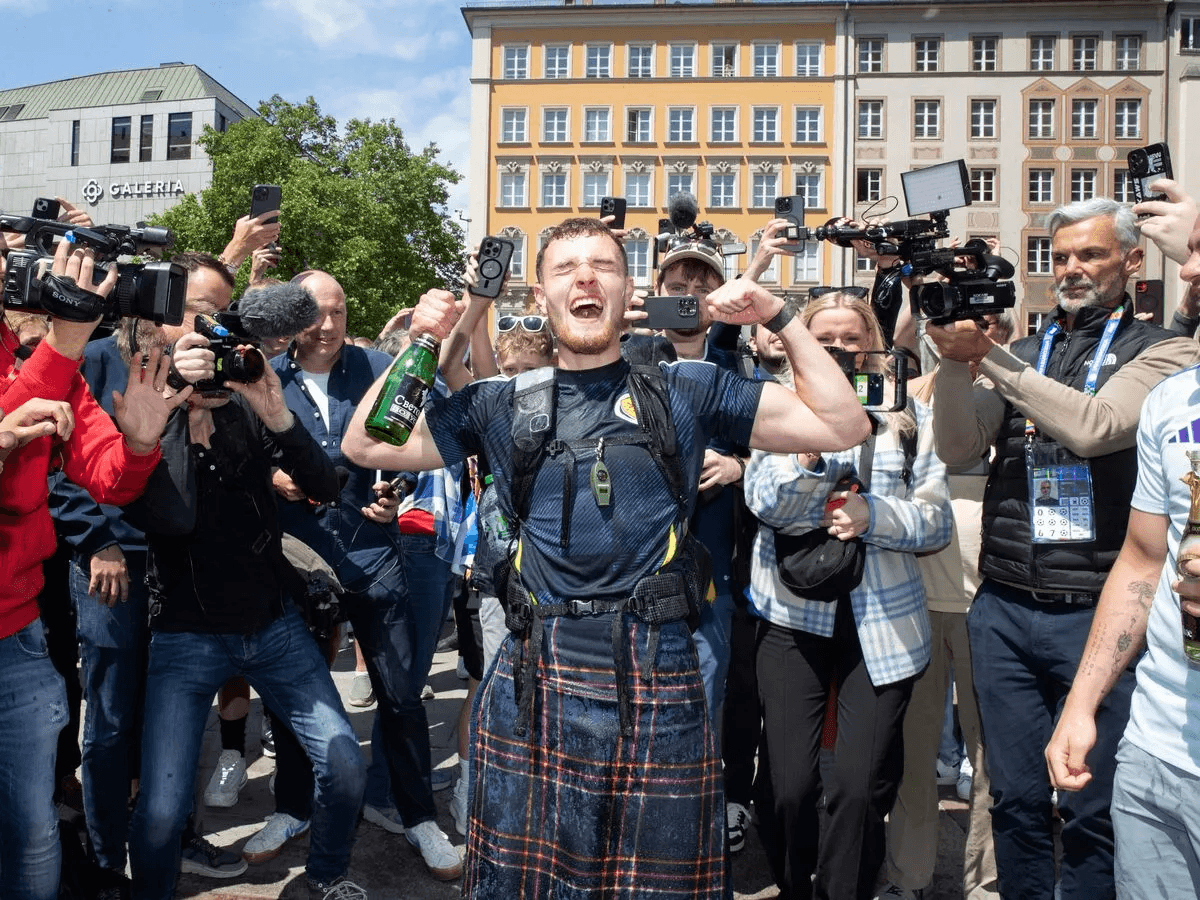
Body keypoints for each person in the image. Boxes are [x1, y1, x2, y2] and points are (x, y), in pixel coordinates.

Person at [342, 216, 871, 899]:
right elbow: (368, 445)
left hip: (658, 672)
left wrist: (777, 313)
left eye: (604, 267)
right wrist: (422, 339)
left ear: (629, 293)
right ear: (540, 295)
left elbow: (842, 423)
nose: (586, 279)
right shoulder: (499, 402)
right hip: (534, 676)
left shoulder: (687, 388)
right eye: (566, 269)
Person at [927, 197, 1200, 900]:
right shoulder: (1027, 351)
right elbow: (959, 447)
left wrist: (989, 357)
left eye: (1091, 254)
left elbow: (1096, 426)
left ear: (1132, 261)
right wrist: (955, 361)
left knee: (1091, 807)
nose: (1071, 269)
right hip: (1006, 604)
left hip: (1095, 608)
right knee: (1014, 798)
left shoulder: (1165, 351)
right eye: (1062, 256)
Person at [124, 278, 367, 900]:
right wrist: (171, 415)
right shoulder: (147, 418)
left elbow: (325, 486)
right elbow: (170, 517)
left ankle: (327, 875)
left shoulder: (245, 410)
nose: (210, 364)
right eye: (195, 347)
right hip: (185, 634)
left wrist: (275, 412)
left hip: (272, 623)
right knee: (160, 810)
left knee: (343, 761)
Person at [48, 252, 251, 884]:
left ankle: (175, 837)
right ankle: (109, 860)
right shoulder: (97, 358)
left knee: (177, 718)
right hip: (111, 570)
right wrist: (97, 541)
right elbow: (54, 464)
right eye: (201, 310)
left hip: (184, 570)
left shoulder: (216, 375)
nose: (212, 325)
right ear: (159, 304)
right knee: (111, 724)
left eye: (222, 313)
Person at [744, 291, 951, 900]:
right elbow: (766, 504)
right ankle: (794, 883)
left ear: (872, 347)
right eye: (824, 341)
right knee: (789, 789)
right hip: (792, 613)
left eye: (850, 340)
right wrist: (810, 455)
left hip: (884, 622)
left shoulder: (908, 415)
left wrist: (873, 516)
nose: (837, 350)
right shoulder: (775, 405)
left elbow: (936, 522)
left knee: (859, 790)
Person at [0, 238, 183, 900]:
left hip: (17, 636)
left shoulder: (38, 358)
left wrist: (139, 442)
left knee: (32, 833)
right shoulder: (52, 354)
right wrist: (67, 339)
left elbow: (108, 478)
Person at [267, 269, 462, 881]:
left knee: (401, 695)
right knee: (295, 696)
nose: (328, 326)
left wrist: (396, 488)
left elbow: (421, 440)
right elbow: (238, 454)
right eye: (315, 314)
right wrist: (271, 477)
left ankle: (418, 817)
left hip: (374, 556)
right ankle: (292, 807)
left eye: (339, 312)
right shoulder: (265, 377)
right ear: (293, 316)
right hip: (295, 560)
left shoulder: (381, 366)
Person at [1044, 211, 1200, 898]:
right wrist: (1081, 705)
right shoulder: (1175, 398)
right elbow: (1142, 560)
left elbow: (1093, 426)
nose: (1188, 271)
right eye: (1189, 252)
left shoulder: (1156, 355)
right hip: (1155, 748)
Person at [876, 311, 1014, 900]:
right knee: (914, 755)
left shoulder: (1021, 390)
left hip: (995, 599)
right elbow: (899, 341)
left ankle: (987, 882)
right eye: (955, 323)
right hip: (919, 598)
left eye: (988, 323)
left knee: (993, 758)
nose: (972, 332)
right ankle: (907, 877)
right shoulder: (914, 392)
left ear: (1003, 333)